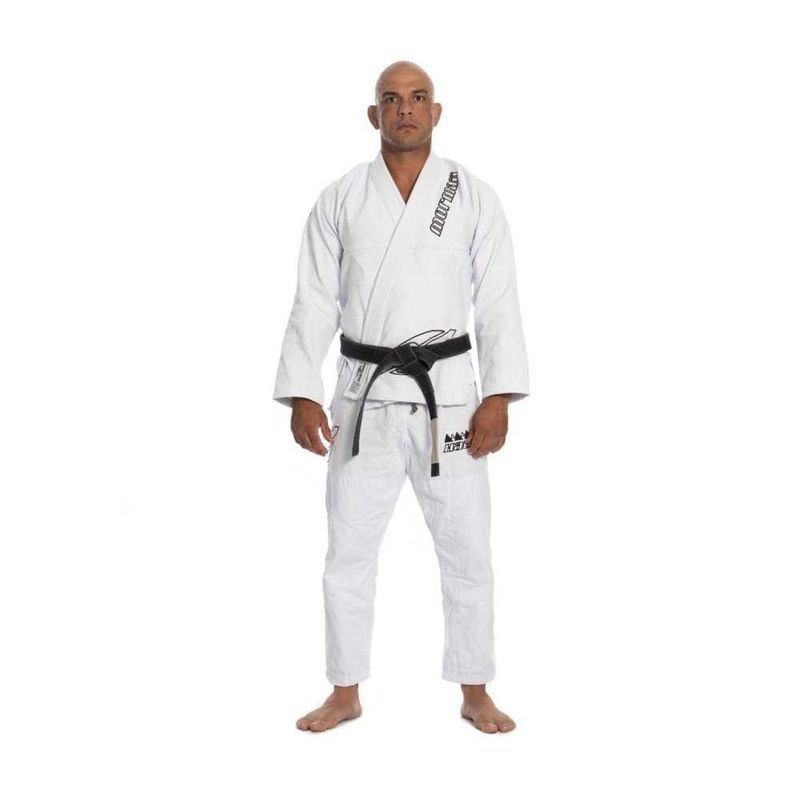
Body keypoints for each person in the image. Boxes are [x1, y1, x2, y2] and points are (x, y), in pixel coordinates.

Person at [273, 61, 530, 733]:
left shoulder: (473, 197)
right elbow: (313, 301)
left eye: (418, 99)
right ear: (375, 115)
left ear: (436, 112)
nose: (405, 109)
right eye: (391, 100)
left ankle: (475, 689)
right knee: (348, 555)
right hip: (363, 401)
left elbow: (498, 303)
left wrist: (498, 396)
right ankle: (344, 691)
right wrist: (302, 392)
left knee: (467, 552)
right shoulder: (340, 199)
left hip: (451, 401)